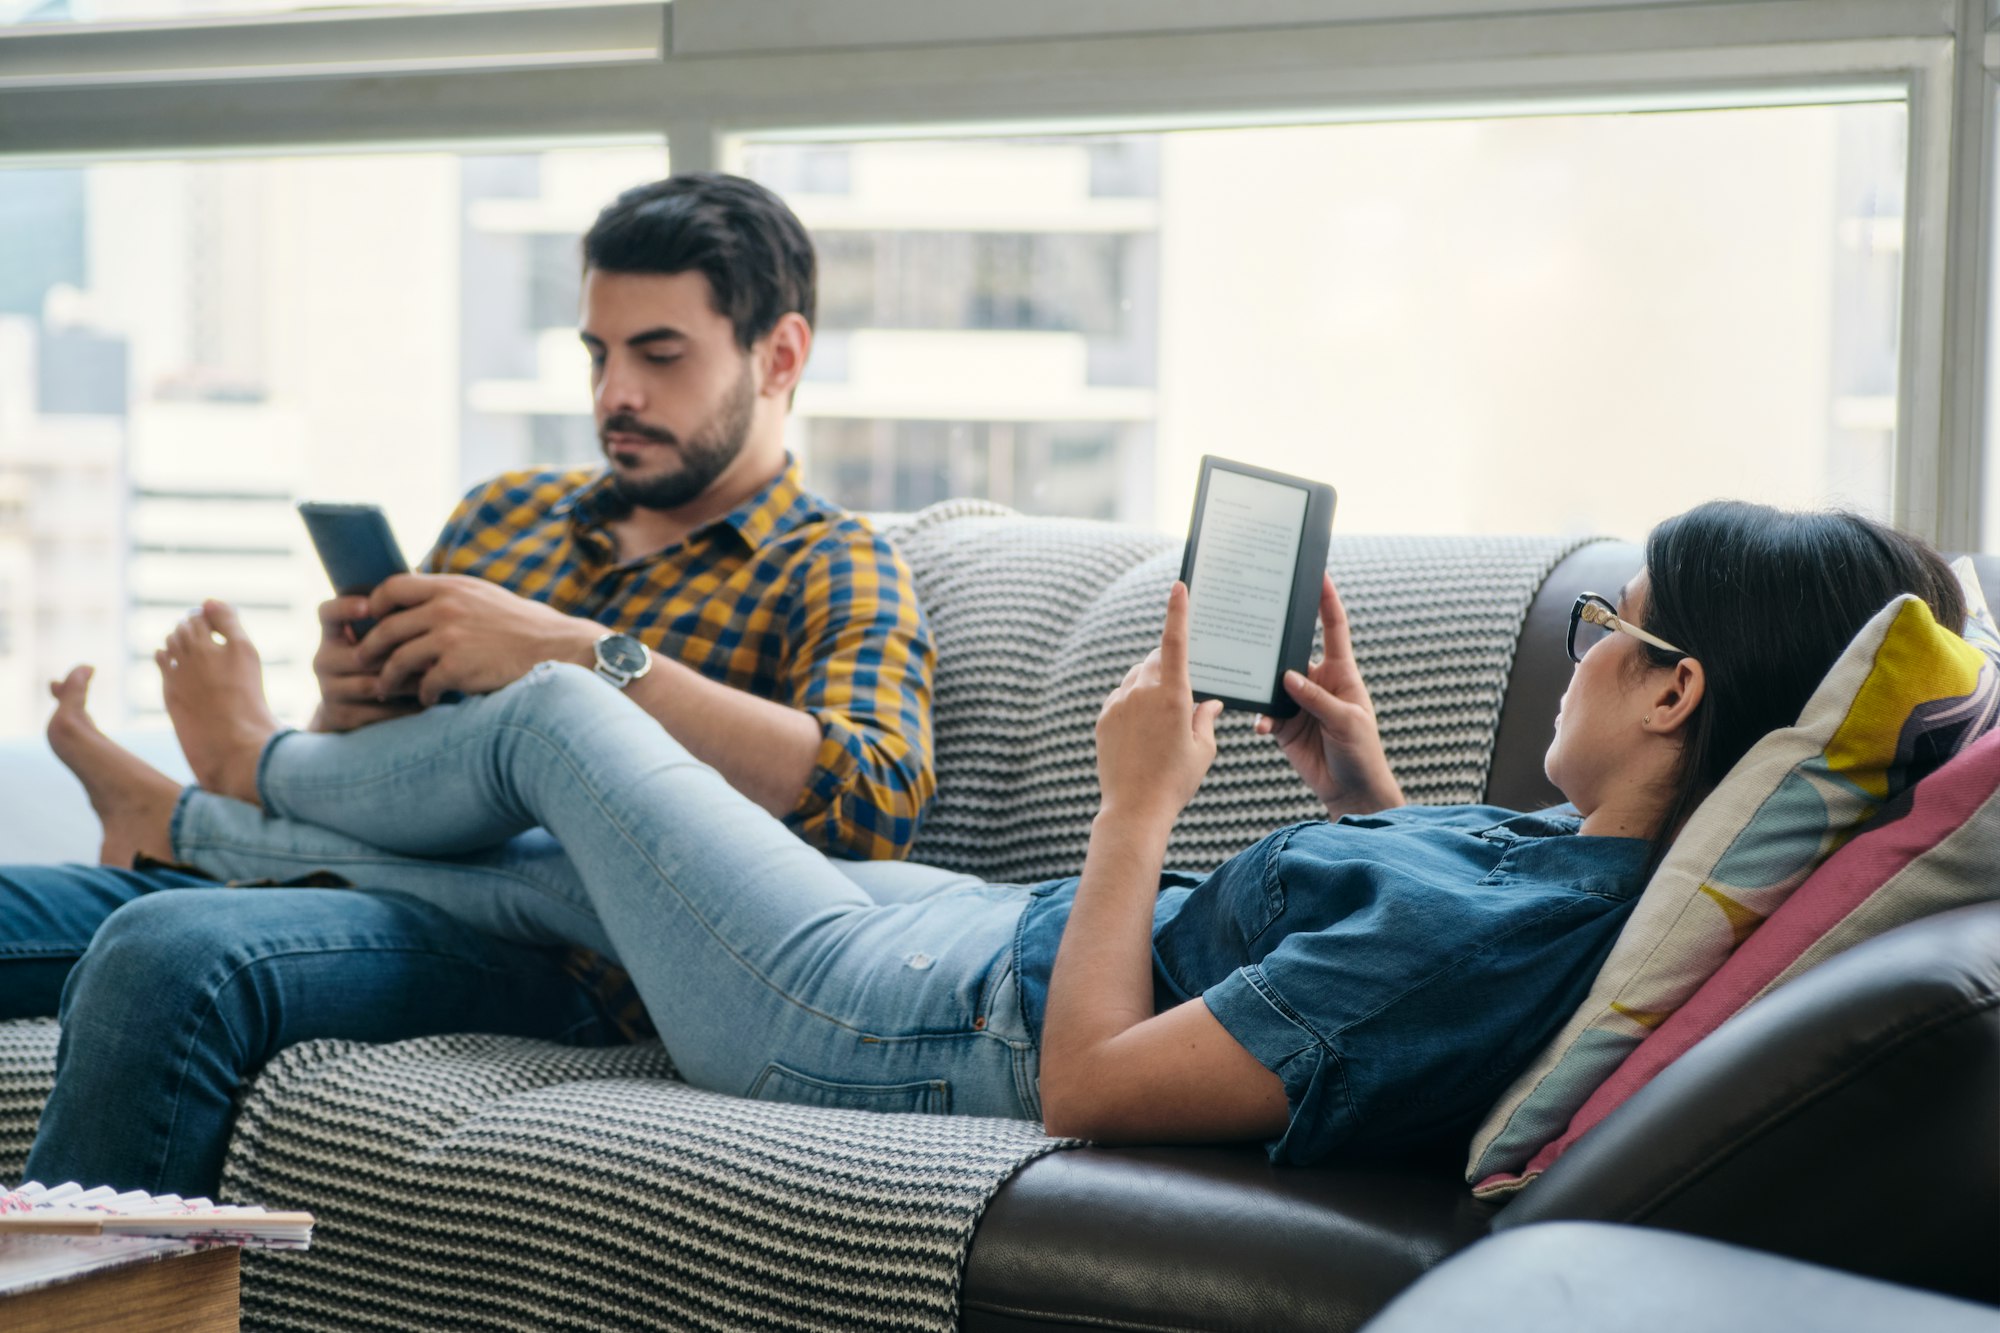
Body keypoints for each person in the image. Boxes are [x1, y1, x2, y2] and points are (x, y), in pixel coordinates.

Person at [26, 501, 1965, 1191]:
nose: (1585, 647)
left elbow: (1097, 1090)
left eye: (1611, 624)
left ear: (1671, 694)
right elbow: (1398, 941)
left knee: (551, 716)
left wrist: (1139, 810)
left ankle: (224, 791)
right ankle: (202, 830)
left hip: (881, 1020)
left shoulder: (1510, 935)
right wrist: (1357, 780)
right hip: (953, 929)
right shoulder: (1573, 880)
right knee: (553, 873)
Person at [2, 172, 938, 1189]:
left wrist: (580, 654)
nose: (614, 393)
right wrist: (349, 702)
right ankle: (215, 807)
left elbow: (872, 794)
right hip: (356, 867)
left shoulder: (830, 561)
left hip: (564, 956)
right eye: (597, 352)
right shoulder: (504, 514)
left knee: (166, 952)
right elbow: (383, 762)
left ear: (780, 355)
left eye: (659, 354)